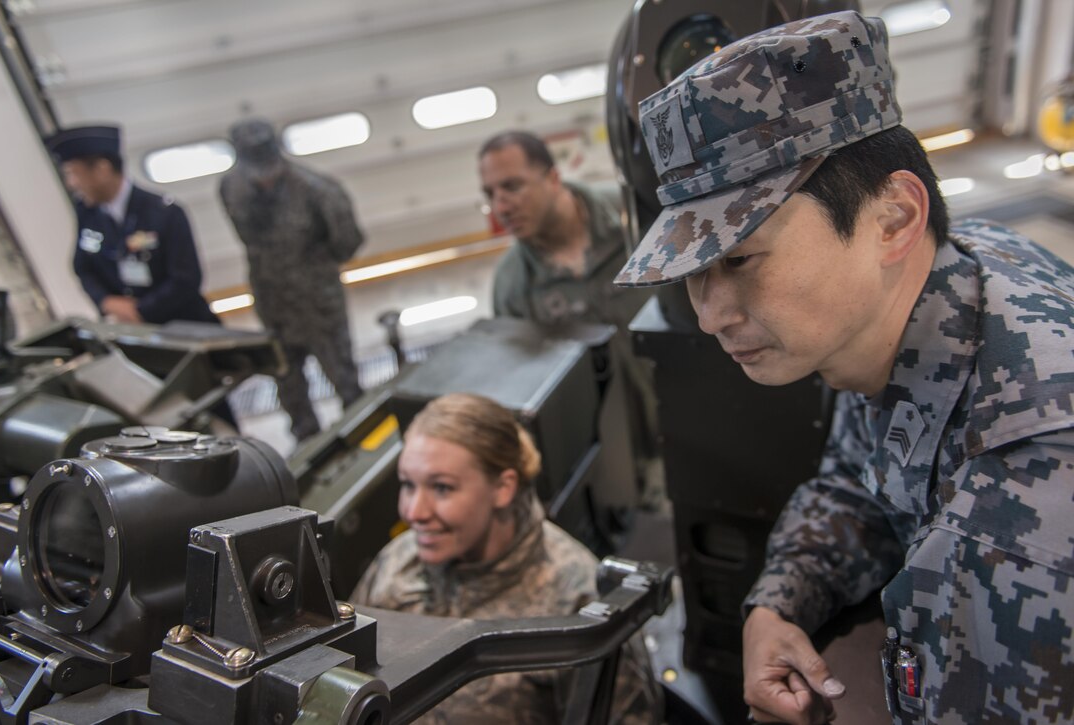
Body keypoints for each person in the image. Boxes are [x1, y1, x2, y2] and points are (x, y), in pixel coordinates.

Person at [613, 10, 1074, 725]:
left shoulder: (1019, 496)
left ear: (893, 218)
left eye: (739, 258)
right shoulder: (933, 284)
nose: (709, 315)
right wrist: (778, 600)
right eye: (695, 269)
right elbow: (862, 479)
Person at [352, 393, 663, 724]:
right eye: (408, 485)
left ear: (503, 487)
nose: (414, 512)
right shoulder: (399, 559)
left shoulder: (578, 603)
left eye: (442, 488)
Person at [478, 131, 659, 493]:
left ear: (553, 178)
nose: (501, 206)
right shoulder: (513, 284)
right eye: (490, 194)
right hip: (612, 461)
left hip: (688, 413)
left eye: (512, 186)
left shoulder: (634, 217)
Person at [219, 118, 364, 443]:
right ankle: (307, 443)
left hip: (318, 305)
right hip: (273, 306)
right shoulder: (232, 188)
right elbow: (246, 238)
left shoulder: (319, 191)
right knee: (288, 383)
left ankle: (363, 440)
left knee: (345, 381)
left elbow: (348, 243)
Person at [47, 124, 219, 325]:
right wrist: (106, 301)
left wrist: (140, 311)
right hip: (131, 331)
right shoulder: (87, 214)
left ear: (102, 170)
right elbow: (82, 267)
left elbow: (186, 279)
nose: (71, 184)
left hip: (183, 324)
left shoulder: (164, 212)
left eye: (74, 173)